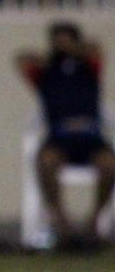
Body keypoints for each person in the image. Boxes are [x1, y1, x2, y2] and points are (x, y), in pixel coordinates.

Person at [16, 21, 115, 245]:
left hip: (91, 136)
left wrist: (72, 50)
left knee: (109, 164)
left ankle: (93, 222)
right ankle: (62, 224)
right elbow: (21, 60)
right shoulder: (46, 72)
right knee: (46, 162)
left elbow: (97, 49)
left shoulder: (89, 66)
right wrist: (53, 55)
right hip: (59, 137)